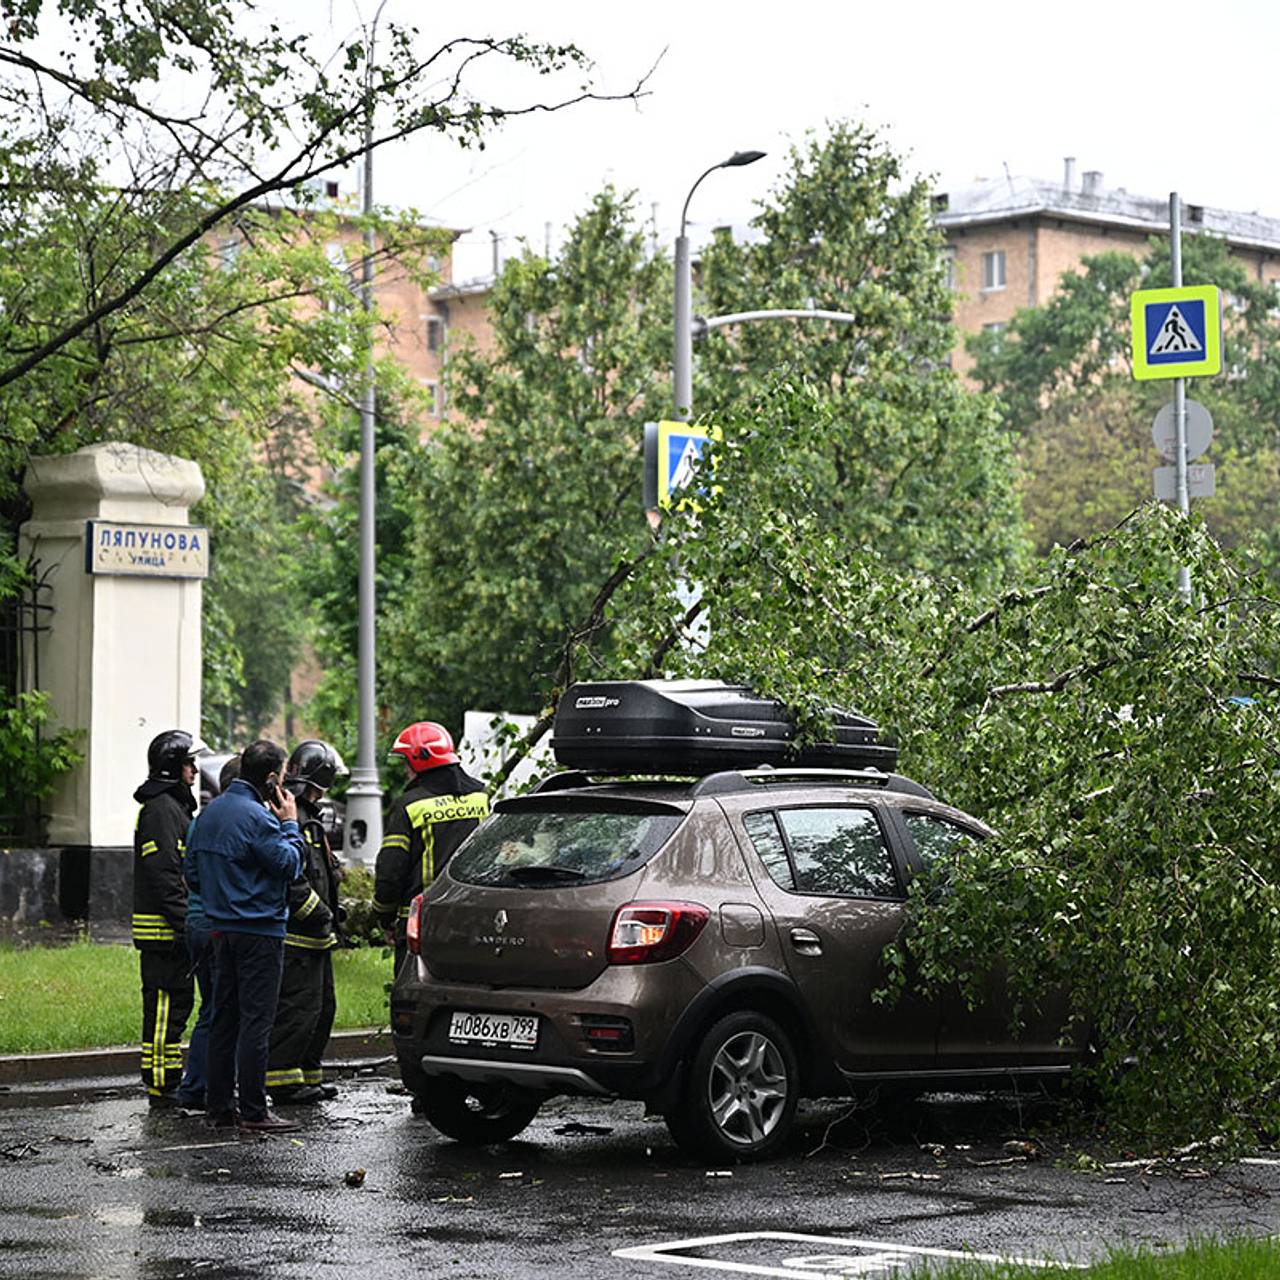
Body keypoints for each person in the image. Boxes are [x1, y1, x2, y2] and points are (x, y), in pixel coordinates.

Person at [189, 739, 303, 1134]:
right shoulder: (259, 818)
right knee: (256, 1022)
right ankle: (255, 1110)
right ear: (272, 778)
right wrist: (290, 823)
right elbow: (288, 865)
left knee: (224, 1019)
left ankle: (219, 1107)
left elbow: (191, 875)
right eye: (284, 775)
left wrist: (226, 895)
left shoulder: (210, 813)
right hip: (260, 931)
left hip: (221, 930)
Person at [374, 722, 488, 975]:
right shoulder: (482, 798)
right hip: (474, 917)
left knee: (416, 994)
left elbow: (391, 870)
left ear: (420, 760)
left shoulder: (409, 806)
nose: (405, 770)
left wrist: (383, 915)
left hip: (422, 921)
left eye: (406, 762)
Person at [266, 740, 345, 1105]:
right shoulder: (293, 819)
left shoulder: (308, 817)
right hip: (298, 937)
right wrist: (320, 912)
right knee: (297, 1009)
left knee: (321, 1008)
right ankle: (282, 1080)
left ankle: (309, 1075)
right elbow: (292, 881)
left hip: (317, 937)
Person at [132, 729, 202, 1108]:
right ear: (175, 767)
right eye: (190, 762)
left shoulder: (173, 807)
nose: (195, 769)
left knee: (176, 1007)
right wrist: (185, 921)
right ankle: (161, 1084)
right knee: (162, 1009)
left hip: (173, 930)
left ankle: (169, 1078)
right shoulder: (160, 811)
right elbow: (164, 874)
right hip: (163, 932)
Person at [173, 753, 241, 1111]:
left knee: (211, 1008)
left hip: (197, 923)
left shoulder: (201, 820)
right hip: (218, 924)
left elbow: (190, 874)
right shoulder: (238, 819)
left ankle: (198, 1085)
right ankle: (206, 1087)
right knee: (222, 1010)